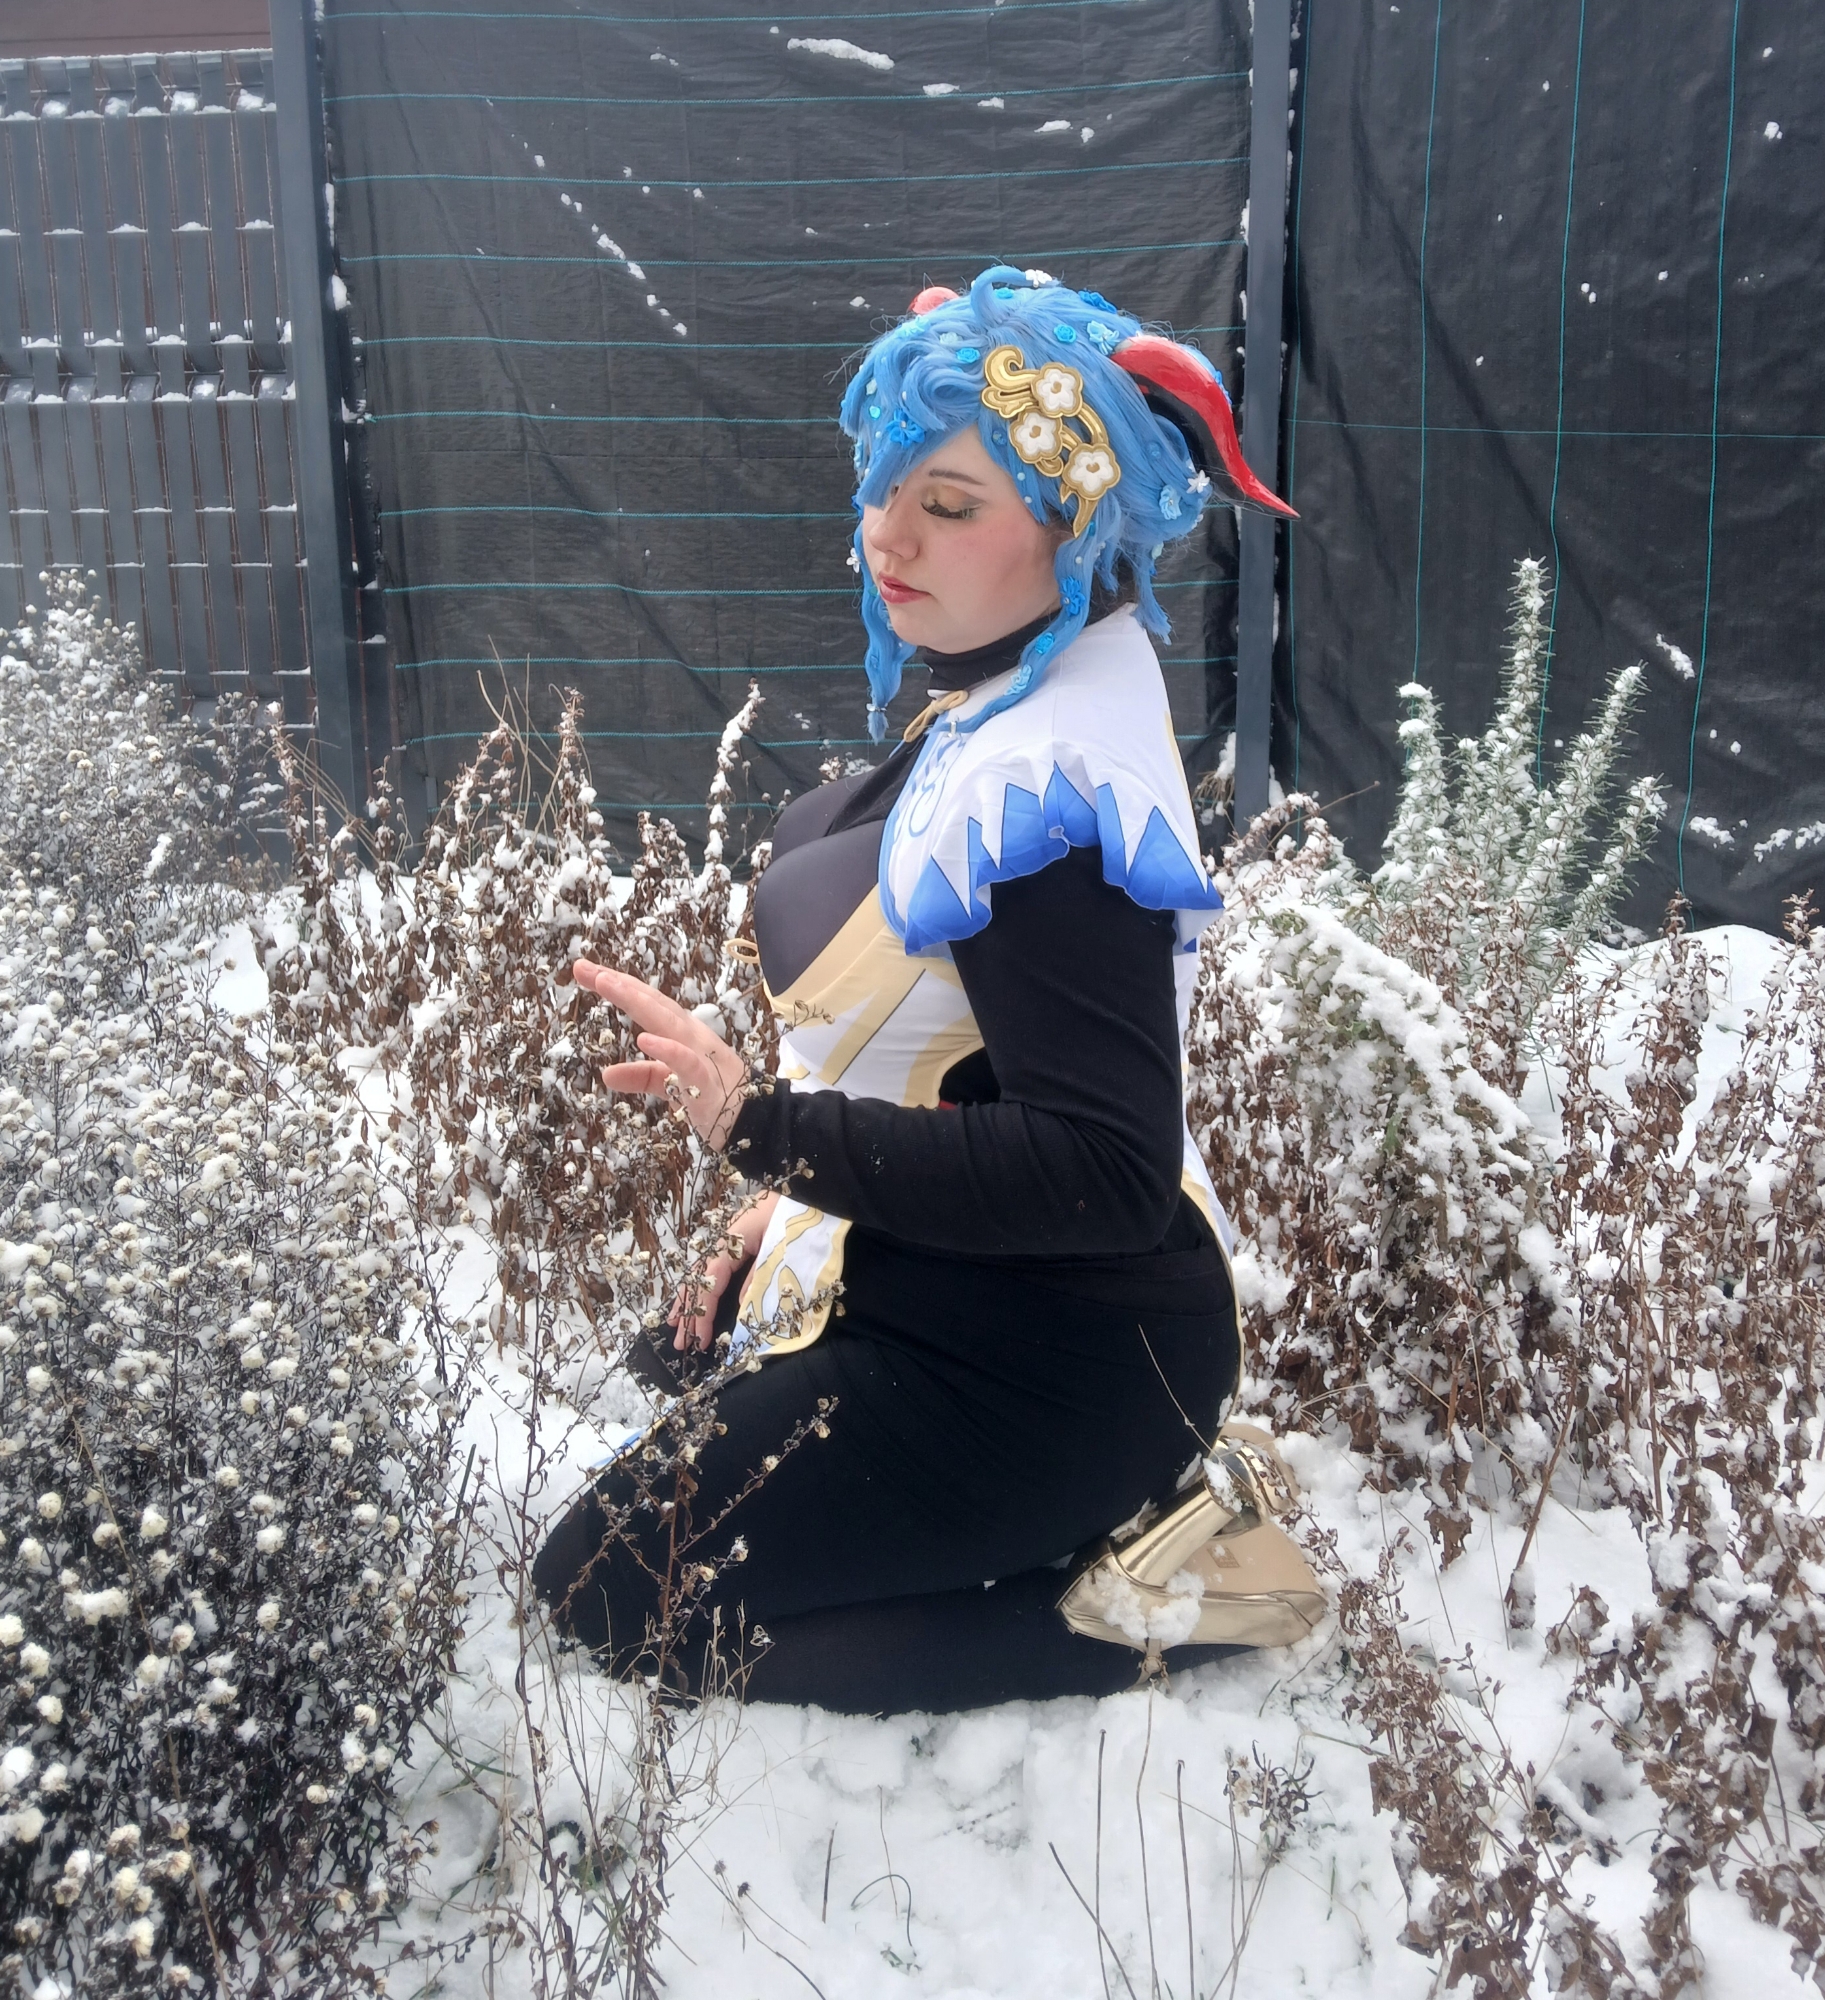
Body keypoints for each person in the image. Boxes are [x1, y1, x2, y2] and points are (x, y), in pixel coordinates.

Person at [532, 265, 1296, 1713]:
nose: (888, 533)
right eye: (885, 486)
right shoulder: (1023, 682)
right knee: (673, 1367)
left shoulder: (1047, 793)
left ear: (1072, 529)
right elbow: (965, 1056)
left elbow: (1105, 1169)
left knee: (607, 1591)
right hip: (968, 1283)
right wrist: (791, 1209)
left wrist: (759, 1125)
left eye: (951, 505)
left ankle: (1187, 1598)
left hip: (1057, 1360)